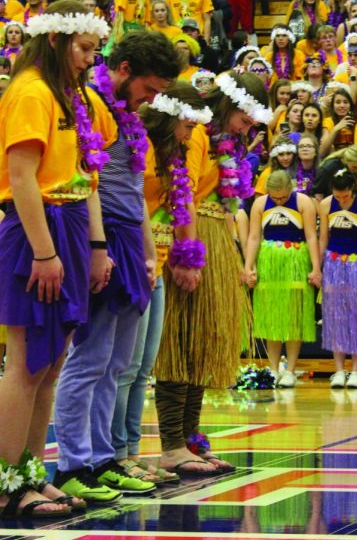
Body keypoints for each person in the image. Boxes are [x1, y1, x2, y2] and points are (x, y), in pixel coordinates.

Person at [53, 31, 180, 503]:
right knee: (89, 357)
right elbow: (89, 182)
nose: (152, 99)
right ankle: (73, 464)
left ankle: (104, 458)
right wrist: (97, 246)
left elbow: (133, 194)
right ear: (123, 70)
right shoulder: (89, 105)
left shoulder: (128, 117)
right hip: (100, 239)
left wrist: (148, 254)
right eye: (149, 88)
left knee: (117, 361)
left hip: (129, 241)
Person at [0, 0, 109, 519]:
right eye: (85, 49)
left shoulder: (68, 98)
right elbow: (21, 178)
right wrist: (44, 252)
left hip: (63, 223)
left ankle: (27, 471)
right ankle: (4, 482)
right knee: (24, 365)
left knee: (50, 364)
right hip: (34, 229)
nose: (90, 59)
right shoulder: (29, 92)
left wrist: (90, 245)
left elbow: (86, 173)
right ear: (57, 42)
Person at [153, 71, 271, 476]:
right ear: (228, 104)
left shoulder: (227, 143)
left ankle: (191, 439)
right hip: (192, 237)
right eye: (247, 116)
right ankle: (171, 443)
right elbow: (180, 189)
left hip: (216, 234)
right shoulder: (199, 134)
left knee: (202, 344)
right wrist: (185, 254)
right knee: (181, 343)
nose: (251, 125)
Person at [110, 83, 211, 488]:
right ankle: (115, 453)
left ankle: (132, 452)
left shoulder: (173, 153)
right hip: (132, 255)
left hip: (155, 261)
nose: (192, 133)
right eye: (188, 124)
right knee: (124, 365)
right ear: (171, 119)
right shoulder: (142, 147)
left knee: (141, 367)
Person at [242, 170, 322, 388]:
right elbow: (254, 237)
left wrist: (316, 267)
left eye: (283, 198)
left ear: (291, 189)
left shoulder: (303, 202)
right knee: (273, 316)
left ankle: (291, 369)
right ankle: (274, 368)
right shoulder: (260, 204)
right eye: (275, 198)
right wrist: (249, 266)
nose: (278, 201)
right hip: (269, 263)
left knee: (294, 316)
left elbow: (311, 236)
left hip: (296, 259)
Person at [319, 169, 357, 389]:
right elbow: (323, 238)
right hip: (334, 263)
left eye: (345, 196)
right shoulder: (326, 205)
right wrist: (318, 268)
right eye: (338, 196)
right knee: (336, 314)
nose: (342, 200)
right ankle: (339, 370)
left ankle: (356, 369)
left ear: (352, 190)